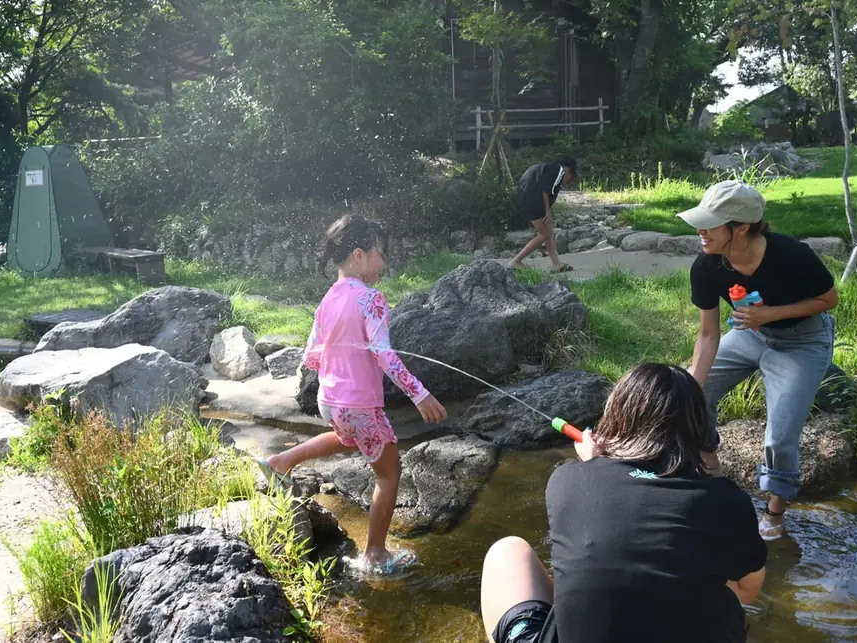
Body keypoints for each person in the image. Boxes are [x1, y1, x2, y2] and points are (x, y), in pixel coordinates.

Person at [480, 363, 768, 643]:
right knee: (723, 576)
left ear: (617, 418)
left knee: (507, 552)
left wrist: (594, 465)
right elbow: (747, 591)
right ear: (698, 430)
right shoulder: (730, 501)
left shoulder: (568, 480)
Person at [258, 214, 447, 575]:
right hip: (358, 403)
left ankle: (280, 462)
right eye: (380, 253)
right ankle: (375, 554)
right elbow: (385, 355)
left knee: (349, 439)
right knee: (390, 472)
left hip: (330, 401)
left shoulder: (329, 298)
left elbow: (312, 354)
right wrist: (419, 395)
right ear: (359, 255)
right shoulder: (371, 298)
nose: (384, 262)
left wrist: (345, 353)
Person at [679, 180, 838, 541]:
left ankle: (774, 512)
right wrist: (695, 388)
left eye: (710, 224)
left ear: (741, 228)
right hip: (750, 336)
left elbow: (829, 300)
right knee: (691, 391)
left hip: (804, 340)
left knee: (780, 436)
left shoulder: (793, 256)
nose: (700, 231)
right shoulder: (707, 266)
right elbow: (708, 335)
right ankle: (712, 469)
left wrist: (771, 313)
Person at [509, 156, 578, 273]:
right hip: (533, 199)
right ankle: (516, 261)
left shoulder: (546, 168)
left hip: (525, 198)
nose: (568, 181)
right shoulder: (559, 171)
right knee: (544, 233)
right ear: (568, 170)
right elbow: (545, 190)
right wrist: (547, 211)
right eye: (571, 178)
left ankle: (556, 263)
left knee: (548, 227)